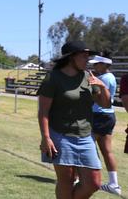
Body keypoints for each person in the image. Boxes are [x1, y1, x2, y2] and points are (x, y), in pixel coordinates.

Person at [38, 41, 112, 199]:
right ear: (71, 57)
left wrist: (102, 86)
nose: (88, 59)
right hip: (60, 135)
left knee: (94, 183)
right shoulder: (53, 78)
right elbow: (43, 111)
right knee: (67, 180)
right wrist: (46, 138)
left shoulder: (88, 76)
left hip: (86, 136)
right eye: (84, 56)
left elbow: (105, 104)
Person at [89, 53, 121, 195]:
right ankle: (114, 184)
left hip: (100, 115)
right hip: (106, 116)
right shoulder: (108, 77)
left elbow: (99, 97)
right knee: (106, 150)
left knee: (86, 145)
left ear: (104, 64)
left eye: (97, 64)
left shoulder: (105, 79)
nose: (94, 66)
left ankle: (82, 178)